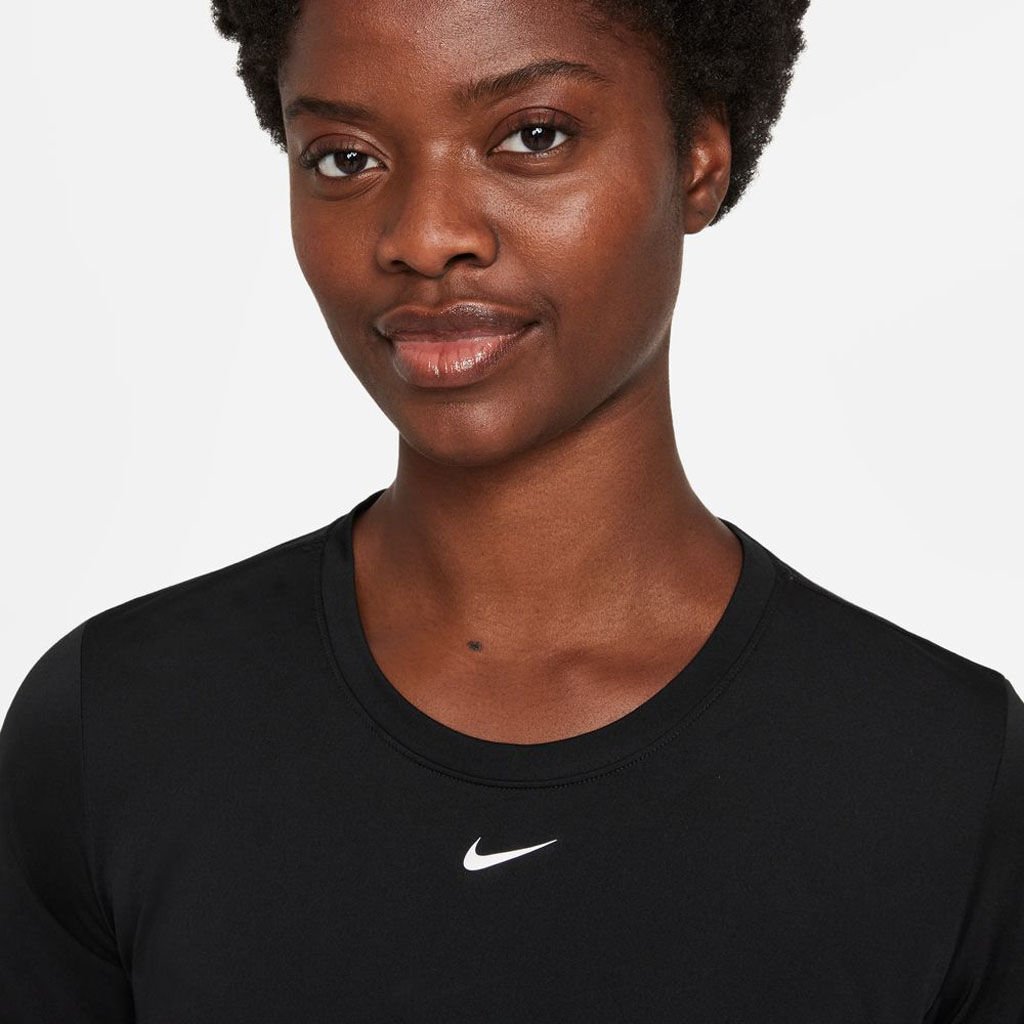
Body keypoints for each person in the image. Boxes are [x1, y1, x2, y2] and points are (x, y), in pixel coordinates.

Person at [1, 0, 1021, 1020]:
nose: (423, 236)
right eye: (345, 159)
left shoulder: (944, 777)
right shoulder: (115, 729)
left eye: (533, 137)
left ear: (698, 161)